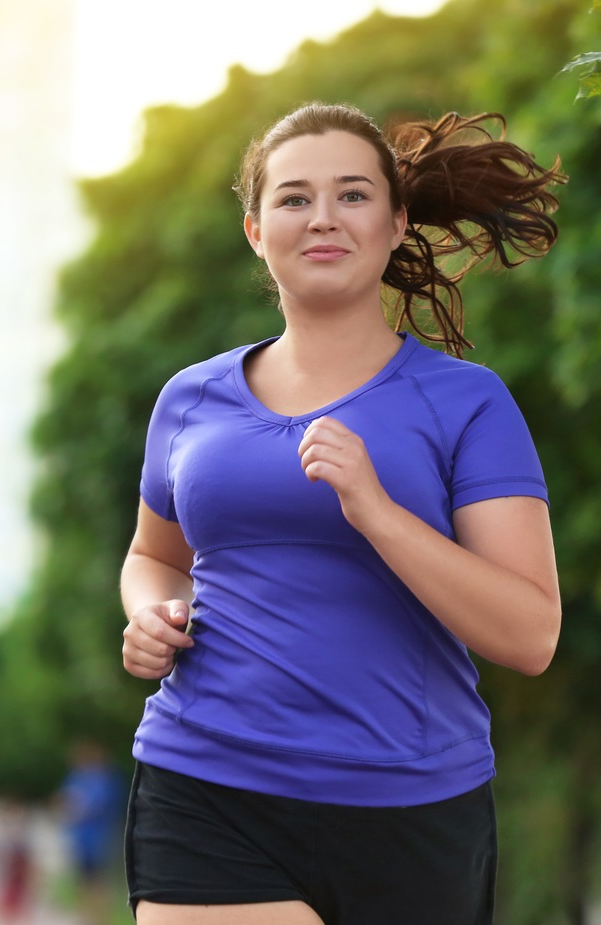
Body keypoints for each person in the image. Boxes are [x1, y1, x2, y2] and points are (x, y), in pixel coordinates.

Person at [121, 101, 565, 925]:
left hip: (410, 807)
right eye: (294, 198)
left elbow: (530, 634)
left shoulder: (468, 403)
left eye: (353, 195)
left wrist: (378, 511)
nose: (322, 217)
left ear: (397, 224)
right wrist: (152, 613)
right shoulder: (189, 398)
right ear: (256, 231)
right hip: (206, 780)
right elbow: (154, 556)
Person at [57, 740, 127, 925]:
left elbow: (88, 806)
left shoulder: (105, 779)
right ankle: (87, 918)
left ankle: (99, 919)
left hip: (99, 839)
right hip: (81, 838)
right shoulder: (76, 777)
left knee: (99, 881)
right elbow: (64, 802)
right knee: (83, 880)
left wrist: (72, 806)